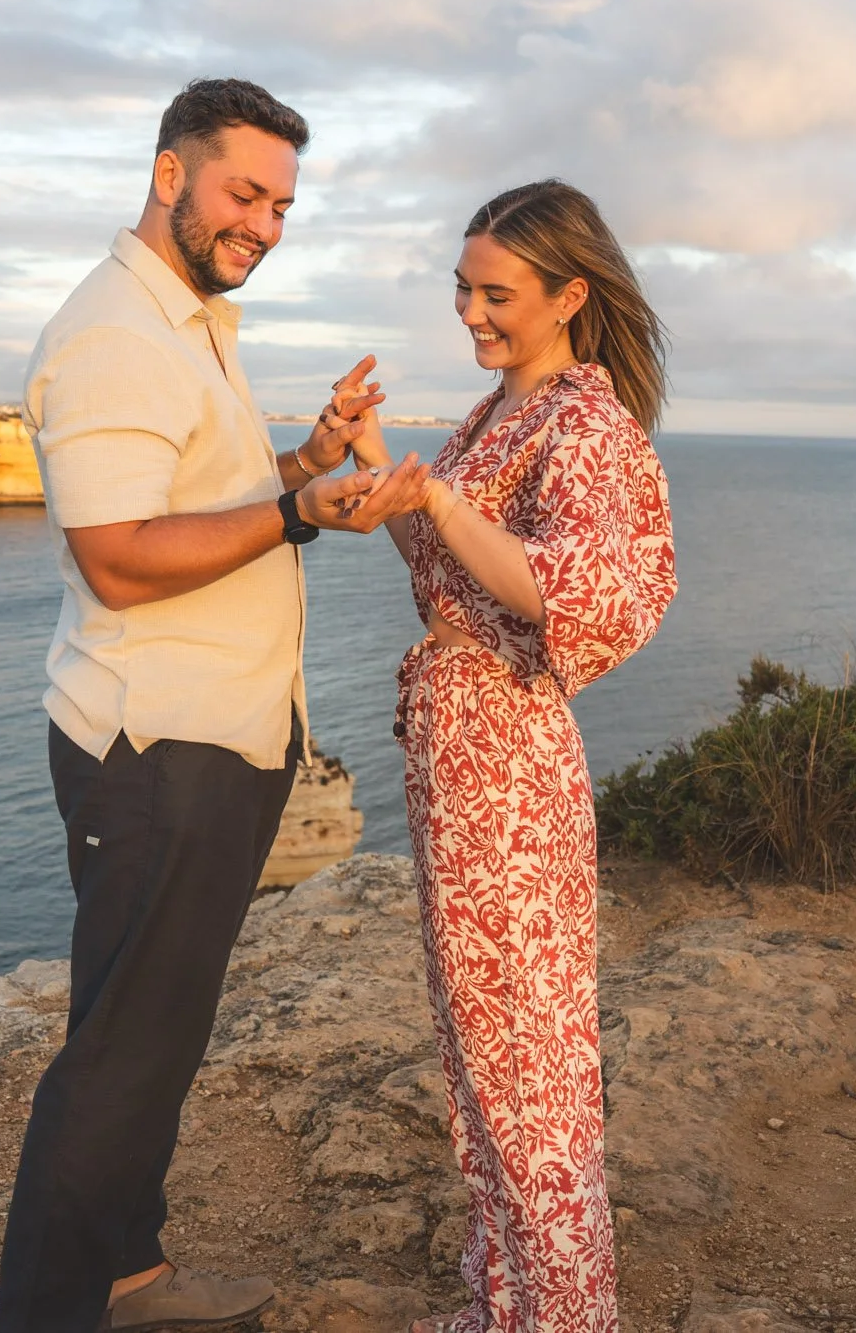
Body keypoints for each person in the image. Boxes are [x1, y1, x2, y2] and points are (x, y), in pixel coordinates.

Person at [0, 78, 431, 1333]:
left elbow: (193, 500)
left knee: (145, 1035)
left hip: (208, 738)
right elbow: (121, 556)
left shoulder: (185, 321)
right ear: (168, 172)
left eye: (285, 204)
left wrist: (304, 461)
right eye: (246, 192)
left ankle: (127, 1278)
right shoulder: (117, 333)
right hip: (158, 748)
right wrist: (298, 508)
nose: (266, 223)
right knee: (122, 1059)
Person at [349, 180, 678, 1333]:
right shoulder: (505, 409)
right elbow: (456, 559)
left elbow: (560, 586)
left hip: (504, 758)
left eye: (496, 294)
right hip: (462, 744)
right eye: (462, 289)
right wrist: (382, 462)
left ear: (569, 295)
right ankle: (510, 1308)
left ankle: (565, 1319)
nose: (472, 313)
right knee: (483, 1050)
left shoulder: (584, 422)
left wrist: (432, 489)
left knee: (525, 1068)